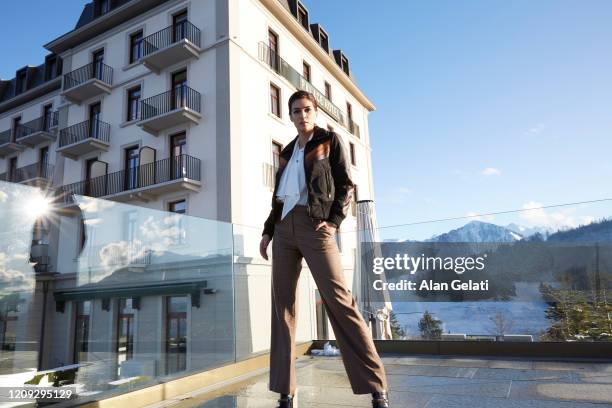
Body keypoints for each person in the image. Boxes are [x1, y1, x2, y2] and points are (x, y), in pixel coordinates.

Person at [260, 90, 389, 408]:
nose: (301, 115)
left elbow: (345, 184)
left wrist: (333, 222)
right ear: (289, 116)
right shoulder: (288, 152)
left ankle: (376, 387)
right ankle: (285, 391)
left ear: (314, 113)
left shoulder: (329, 141)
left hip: (315, 226)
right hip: (284, 230)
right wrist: (267, 233)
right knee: (283, 309)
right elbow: (279, 197)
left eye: (306, 109)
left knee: (341, 302)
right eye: (295, 111)